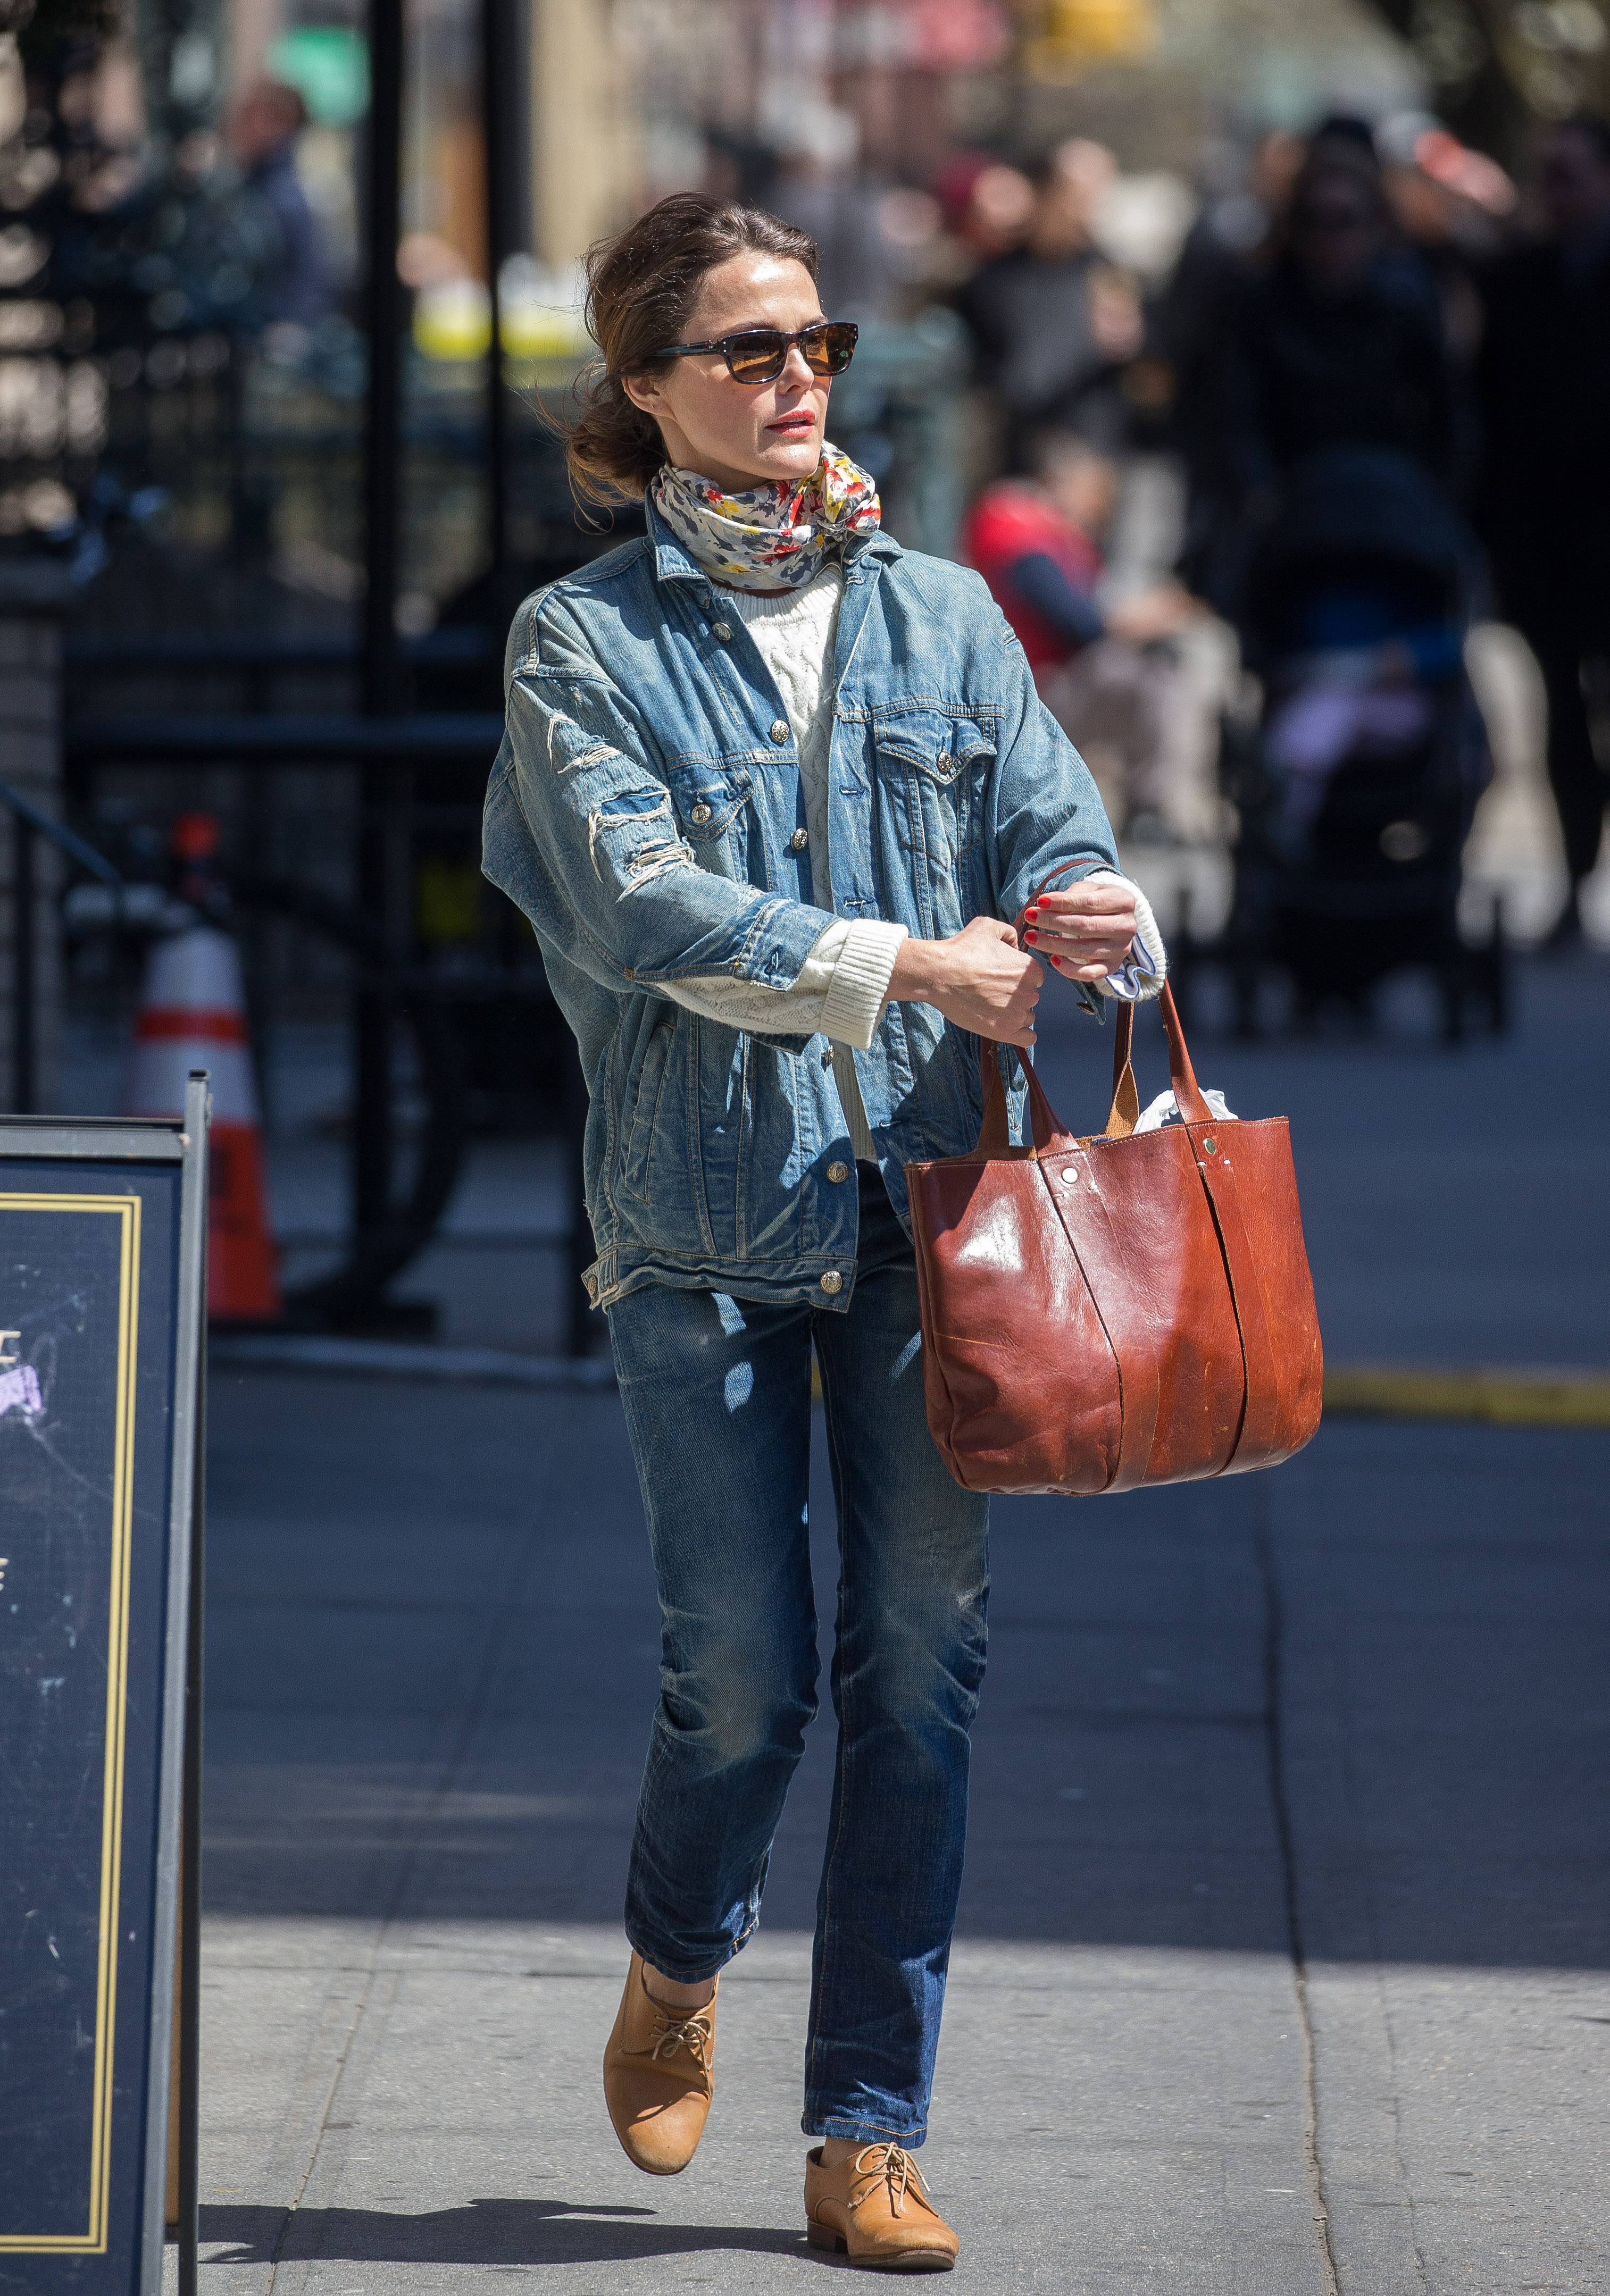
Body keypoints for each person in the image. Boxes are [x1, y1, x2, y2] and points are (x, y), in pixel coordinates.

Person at [482, 191, 1165, 2270]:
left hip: (930, 1213)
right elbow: (638, 911)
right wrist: (898, 958)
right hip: (695, 1218)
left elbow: (1051, 824)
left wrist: (1097, 910)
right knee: (742, 1673)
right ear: (645, 386)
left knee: (922, 1665)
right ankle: (677, 1949)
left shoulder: (943, 615)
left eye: (818, 342)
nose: (799, 378)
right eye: (750, 348)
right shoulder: (579, 642)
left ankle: (868, 2123)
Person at [1475, 115, 1610, 944]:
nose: (1553, 193)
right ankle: (1572, 884)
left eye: (1569, 174)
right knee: (1563, 720)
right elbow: (1490, 412)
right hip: (1547, 544)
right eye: (1544, 175)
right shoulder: (1515, 279)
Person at [964, 429, 1200, 837]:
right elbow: (1074, 622)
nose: (1101, 507)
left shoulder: (1056, 532)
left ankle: (1144, 804)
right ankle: (1150, 807)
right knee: (1143, 673)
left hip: (1045, 681)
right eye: (1094, 491)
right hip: (1023, 690)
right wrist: (1141, 620)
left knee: (1158, 662)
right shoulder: (1014, 519)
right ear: (1063, 481)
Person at [956, 140, 1142, 469]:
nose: (1089, 209)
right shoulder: (996, 279)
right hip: (1017, 456)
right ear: (1046, 194)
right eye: (1079, 197)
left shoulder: (1108, 275)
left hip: (1091, 454)